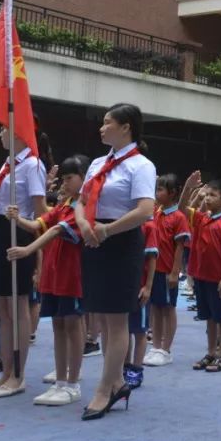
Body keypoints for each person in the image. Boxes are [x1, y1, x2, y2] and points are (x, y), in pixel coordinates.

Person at [75, 103, 156, 421]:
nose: (101, 127)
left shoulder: (141, 166)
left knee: (117, 319)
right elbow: (80, 201)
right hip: (94, 239)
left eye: (107, 122)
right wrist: (83, 224)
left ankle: (103, 390)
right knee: (103, 319)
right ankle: (118, 382)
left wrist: (107, 229)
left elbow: (145, 210)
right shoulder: (98, 163)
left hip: (120, 241)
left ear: (126, 127)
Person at [5, 155, 89, 406]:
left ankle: (73, 383)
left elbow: (56, 230)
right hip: (55, 276)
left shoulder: (84, 207)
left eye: (69, 178)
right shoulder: (64, 205)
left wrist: (27, 250)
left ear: (85, 178)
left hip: (73, 277)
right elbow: (39, 224)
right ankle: (60, 381)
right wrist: (18, 218)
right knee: (58, 327)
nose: (64, 183)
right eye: (62, 179)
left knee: (73, 327)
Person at [0, 125, 48, 399]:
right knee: (3, 307)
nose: (0, 133)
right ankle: (5, 373)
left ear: (20, 133)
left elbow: (40, 210)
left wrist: (31, 233)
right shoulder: (7, 164)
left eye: (5, 129)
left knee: (17, 307)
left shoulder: (32, 165)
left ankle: (18, 375)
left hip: (18, 229)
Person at [188, 179, 221, 373]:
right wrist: (193, 192)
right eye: (207, 195)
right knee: (208, 317)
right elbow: (187, 210)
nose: (208, 198)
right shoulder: (203, 218)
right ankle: (210, 352)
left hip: (218, 279)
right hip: (202, 276)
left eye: (212, 195)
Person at [144, 174, 190, 367]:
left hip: (167, 270)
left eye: (160, 189)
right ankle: (155, 346)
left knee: (168, 309)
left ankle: (166, 349)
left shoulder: (178, 217)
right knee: (155, 307)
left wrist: (174, 272)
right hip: (153, 271)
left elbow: (180, 247)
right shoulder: (156, 213)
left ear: (172, 193)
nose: (157, 193)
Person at [124, 215, 158, 388]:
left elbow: (152, 257)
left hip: (140, 286)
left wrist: (148, 286)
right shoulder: (123, 222)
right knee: (124, 329)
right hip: (124, 284)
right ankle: (125, 366)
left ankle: (136, 368)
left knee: (139, 330)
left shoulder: (149, 226)